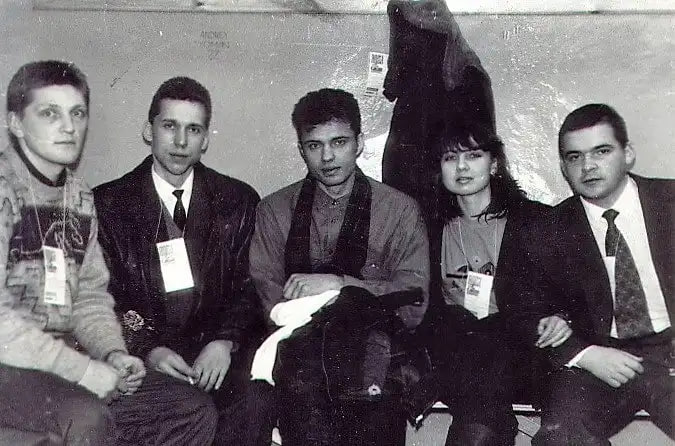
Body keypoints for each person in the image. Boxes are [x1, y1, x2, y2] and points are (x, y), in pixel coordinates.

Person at [0, 60, 217, 445]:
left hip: (60, 361)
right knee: (87, 417)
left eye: (77, 113)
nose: (69, 127)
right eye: (49, 113)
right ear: (16, 123)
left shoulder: (79, 196)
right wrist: (85, 372)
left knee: (190, 409)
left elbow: (89, 297)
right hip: (9, 365)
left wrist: (114, 353)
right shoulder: (5, 191)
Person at [94, 76, 272, 445]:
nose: (180, 142)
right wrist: (148, 349)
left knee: (255, 401)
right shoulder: (108, 204)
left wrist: (224, 342)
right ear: (149, 131)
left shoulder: (237, 200)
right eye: (169, 126)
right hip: (145, 355)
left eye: (193, 129)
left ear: (205, 139)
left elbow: (251, 287)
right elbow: (102, 297)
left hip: (215, 353)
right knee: (187, 411)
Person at [249, 88, 430, 446]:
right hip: (299, 361)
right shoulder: (274, 211)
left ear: (359, 143)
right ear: (301, 149)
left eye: (339, 142)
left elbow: (413, 301)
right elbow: (268, 299)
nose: (327, 157)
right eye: (314, 145)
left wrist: (339, 286)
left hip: (374, 358)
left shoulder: (400, 210)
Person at [509, 103, 674, 445]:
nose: (588, 166)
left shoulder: (670, 203)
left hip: (670, 351)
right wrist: (584, 354)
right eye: (575, 157)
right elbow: (522, 310)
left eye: (601, 151)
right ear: (563, 168)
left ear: (628, 154)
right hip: (598, 359)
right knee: (563, 437)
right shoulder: (546, 230)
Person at [414, 122, 571, 445]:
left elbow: (575, 289)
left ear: (494, 164)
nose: (461, 167)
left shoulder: (533, 220)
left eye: (473, 155)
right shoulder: (429, 228)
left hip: (521, 354)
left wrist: (562, 316)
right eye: (449, 158)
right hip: (457, 352)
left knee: (486, 355)